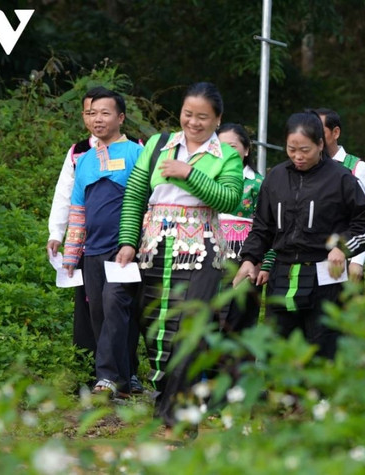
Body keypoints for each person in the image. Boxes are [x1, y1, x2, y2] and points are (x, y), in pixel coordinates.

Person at [115, 82, 243, 427]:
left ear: (218, 119)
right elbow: (135, 194)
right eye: (188, 114)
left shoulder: (227, 155)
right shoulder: (158, 145)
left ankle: (176, 418)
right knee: (155, 326)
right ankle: (165, 399)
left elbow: (229, 199)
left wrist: (189, 173)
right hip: (154, 246)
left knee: (190, 330)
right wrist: (128, 241)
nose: (194, 122)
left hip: (202, 250)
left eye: (203, 117)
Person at [235, 111, 365, 360]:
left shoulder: (341, 178)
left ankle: (321, 399)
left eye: (305, 150)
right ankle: (278, 398)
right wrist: (250, 258)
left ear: (321, 144)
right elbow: (262, 226)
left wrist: (341, 247)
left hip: (326, 276)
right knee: (277, 349)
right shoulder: (276, 177)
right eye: (292, 149)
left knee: (322, 351)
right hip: (283, 274)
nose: (298, 156)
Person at [46, 87, 146, 394]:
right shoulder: (85, 159)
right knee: (99, 314)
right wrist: (71, 253)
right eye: (92, 113)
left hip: (124, 250)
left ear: (121, 117)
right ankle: (122, 378)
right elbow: (77, 210)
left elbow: (148, 199)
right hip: (93, 252)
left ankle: (109, 377)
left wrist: (140, 243)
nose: (97, 120)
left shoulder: (136, 154)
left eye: (105, 113)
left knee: (117, 307)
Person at [314, 108, 365, 283]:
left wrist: (357, 261)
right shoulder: (304, 170)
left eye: (320, 132)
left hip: (345, 257)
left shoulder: (358, 168)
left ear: (336, 132)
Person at [217, 123, 264, 333]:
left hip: (245, 258)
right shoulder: (206, 180)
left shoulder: (259, 184)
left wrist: (259, 262)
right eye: (220, 147)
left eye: (232, 146)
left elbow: (267, 227)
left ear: (246, 150)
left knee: (240, 318)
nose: (226, 152)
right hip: (209, 258)